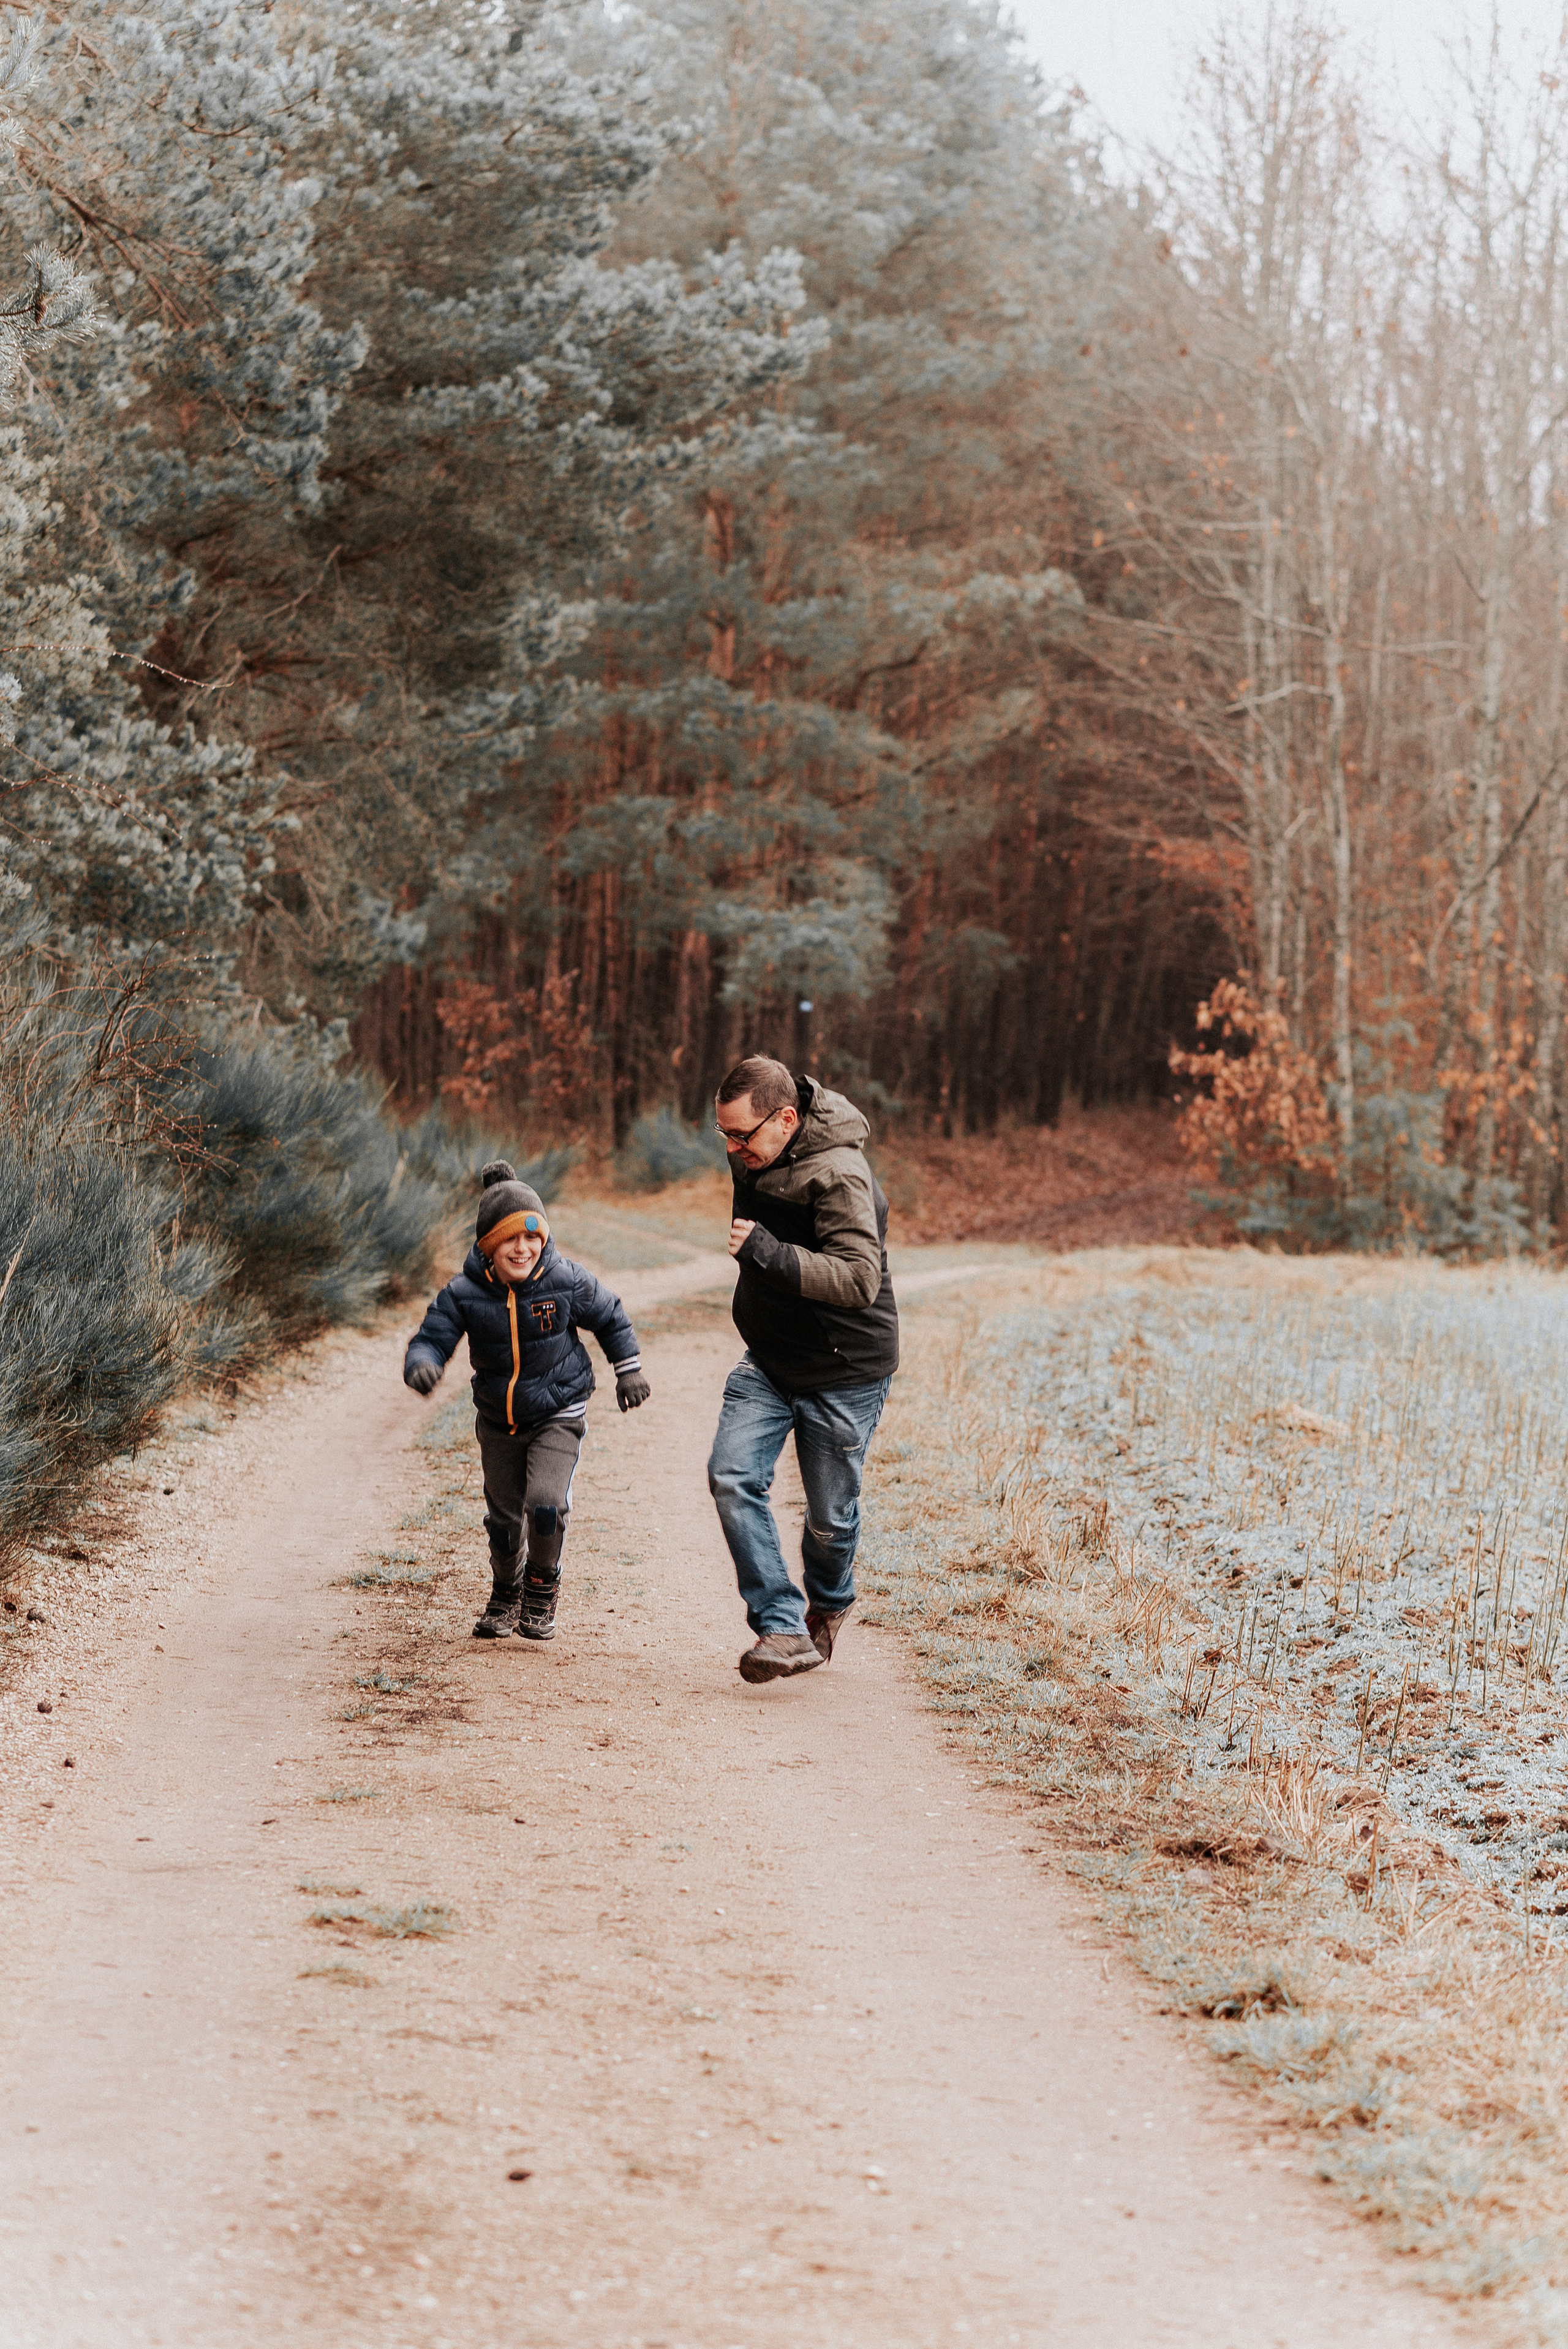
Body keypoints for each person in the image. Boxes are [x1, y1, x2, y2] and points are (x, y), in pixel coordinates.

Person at [707, 1056, 899, 1684]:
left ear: (787, 1118)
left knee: (829, 1519)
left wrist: (768, 1253)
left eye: (743, 1136)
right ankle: (782, 1626)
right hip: (770, 1361)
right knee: (732, 1476)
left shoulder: (841, 1174)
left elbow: (858, 1279)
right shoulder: (759, 1150)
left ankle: (830, 1601)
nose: (734, 1149)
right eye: (725, 1136)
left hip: (844, 1369)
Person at [403, 1162, 650, 1641]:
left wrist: (629, 1370)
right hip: (498, 1419)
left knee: (545, 1504)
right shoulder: (464, 1293)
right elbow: (432, 1336)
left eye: (533, 1238)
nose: (523, 1248)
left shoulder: (564, 1279)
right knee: (503, 1519)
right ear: (487, 1246)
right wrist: (423, 1362)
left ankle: (540, 1588)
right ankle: (505, 1590)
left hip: (560, 1409)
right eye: (510, 1239)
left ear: (544, 1240)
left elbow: (611, 1315)